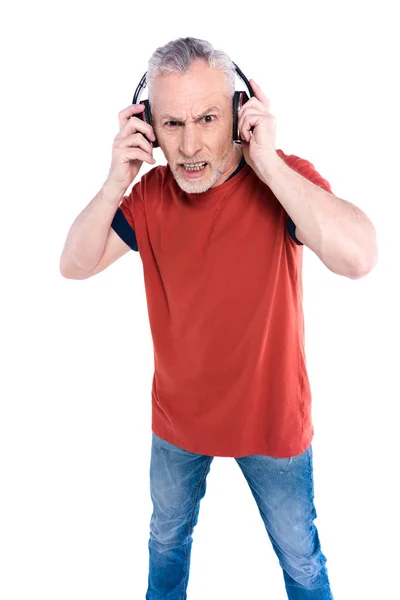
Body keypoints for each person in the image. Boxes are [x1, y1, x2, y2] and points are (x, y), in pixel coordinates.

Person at [60, 37, 378, 600]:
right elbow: (74, 265)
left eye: (207, 118)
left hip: (271, 423)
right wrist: (116, 179)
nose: (189, 145)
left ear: (239, 112)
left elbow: (358, 258)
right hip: (178, 425)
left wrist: (269, 162)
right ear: (147, 125)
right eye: (171, 123)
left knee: (302, 561)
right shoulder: (150, 194)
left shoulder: (283, 180)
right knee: (165, 546)